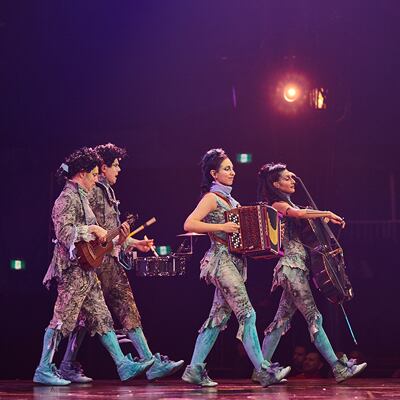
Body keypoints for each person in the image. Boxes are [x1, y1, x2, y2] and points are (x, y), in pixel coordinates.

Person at [58, 143, 184, 383]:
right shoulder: (91, 191)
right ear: (101, 168)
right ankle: (65, 364)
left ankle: (148, 361)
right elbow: (96, 233)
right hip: (95, 263)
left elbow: (112, 235)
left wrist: (134, 243)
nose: (119, 170)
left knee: (123, 311)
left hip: (110, 261)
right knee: (91, 317)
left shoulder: (107, 193)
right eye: (115, 166)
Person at [34, 147, 154, 386]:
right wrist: (92, 229)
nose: (96, 179)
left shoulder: (82, 197)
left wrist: (104, 235)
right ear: (81, 173)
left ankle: (122, 364)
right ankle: (44, 368)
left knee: (102, 317)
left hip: (87, 271)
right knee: (63, 319)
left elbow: (92, 236)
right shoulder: (67, 198)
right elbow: (64, 232)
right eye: (94, 174)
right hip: (71, 271)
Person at [181, 149, 290, 387]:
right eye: (226, 168)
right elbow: (189, 223)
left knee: (217, 319)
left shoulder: (233, 202)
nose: (232, 172)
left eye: (232, 168)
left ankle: (194, 369)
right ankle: (262, 370)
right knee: (247, 314)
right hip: (220, 261)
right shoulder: (211, 198)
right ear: (213, 174)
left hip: (235, 262)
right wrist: (221, 226)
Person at [256, 162, 367, 383]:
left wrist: (321, 219)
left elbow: (304, 222)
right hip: (291, 268)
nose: (292, 180)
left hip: (297, 269)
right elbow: (298, 214)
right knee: (313, 316)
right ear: (276, 184)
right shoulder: (277, 204)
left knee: (280, 322)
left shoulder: (289, 203)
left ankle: (260, 370)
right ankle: (337, 367)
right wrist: (325, 212)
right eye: (287, 178)